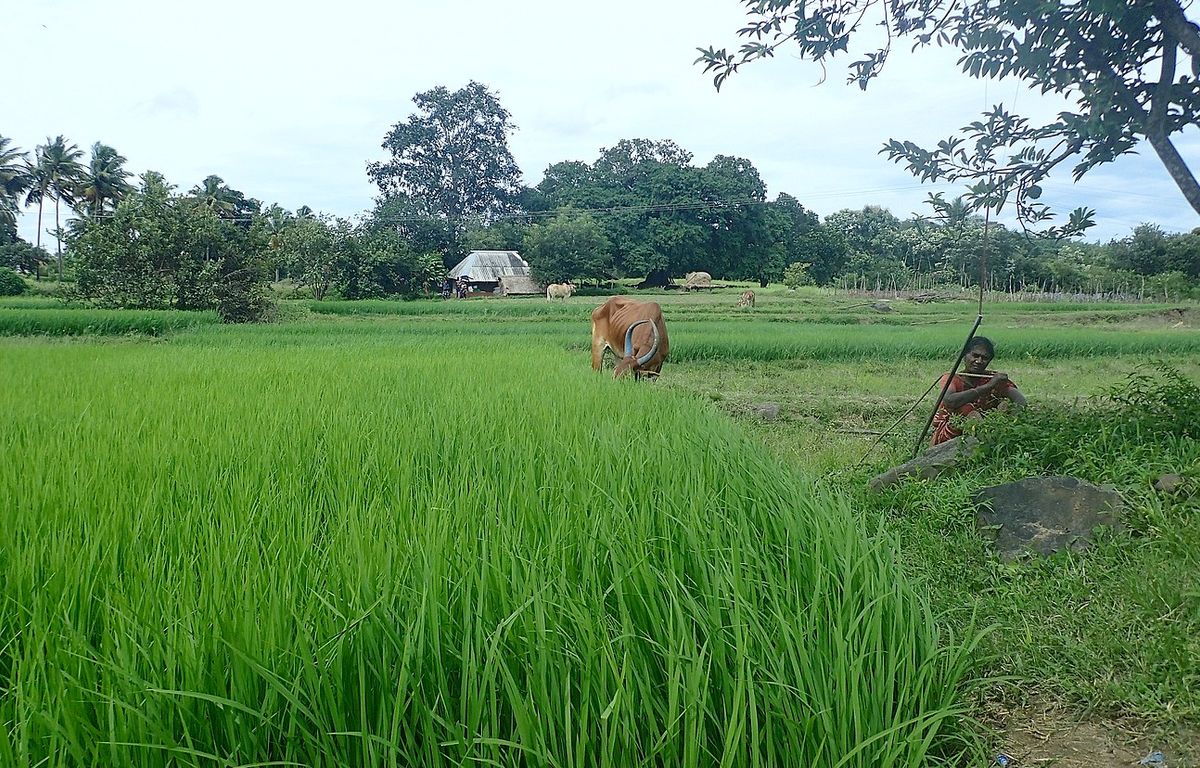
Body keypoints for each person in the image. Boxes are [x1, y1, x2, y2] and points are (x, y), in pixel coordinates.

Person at [930, 336, 1026, 446]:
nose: (979, 361)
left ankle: (998, 441)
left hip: (988, 430)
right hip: (951, 434)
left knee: (1004, 405)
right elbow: (950, 401)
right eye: (975, 356)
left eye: (984, 358)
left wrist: (1008, 421)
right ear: (964, 356)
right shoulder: (952, 378)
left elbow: (1020, 401)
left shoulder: (992, 377)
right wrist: (988, 386)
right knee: (969, 410)